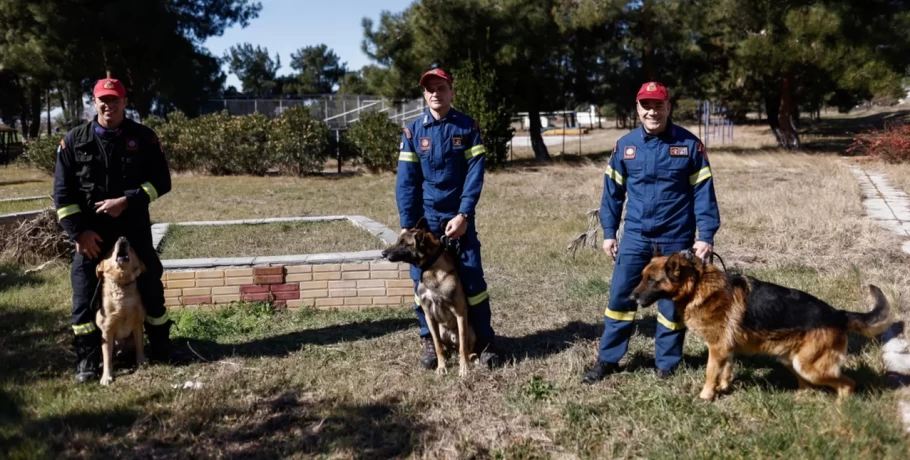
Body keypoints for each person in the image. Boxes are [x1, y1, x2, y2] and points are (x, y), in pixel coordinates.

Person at [583, 81, 721, 384]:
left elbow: (703, 192)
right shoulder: (625, 146)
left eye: (658, 105)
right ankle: (607, 359)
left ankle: (666, 364)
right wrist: (609, 232)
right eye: (646, 105)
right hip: (635, 237)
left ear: (668, 107)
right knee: (620, 299)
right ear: (637, 109)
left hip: (676, 238)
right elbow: (612, 193)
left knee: (671, 304)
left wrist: (706, 235)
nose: (652, 111)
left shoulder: (689, 145)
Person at [53, 77, 179, 384]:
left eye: (116, 100)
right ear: (94, 103)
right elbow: (62, 193)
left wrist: (127, 200)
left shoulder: (144, 138)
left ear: (125, 102)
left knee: (151, 288)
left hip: (132, 230)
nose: (109, 105)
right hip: (92, 235)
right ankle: (87, 360)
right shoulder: (73, 141)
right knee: (84, 297)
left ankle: (160, 348)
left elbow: (161, 182)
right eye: (103, 100)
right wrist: (78, 233)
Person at [395, 67, 500, 369]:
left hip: (459, 219)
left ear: (451, 91)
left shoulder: (468, 128)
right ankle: (431, 340)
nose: (435, 94)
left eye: (441, 88)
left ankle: (484, 342)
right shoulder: (413, 132)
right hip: (426, 222)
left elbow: (474, 175)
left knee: (472, 280)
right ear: (424, 94)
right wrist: (408, 222)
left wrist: (464, 213)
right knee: (421, 283)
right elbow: (407, 181)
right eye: (429, 89)